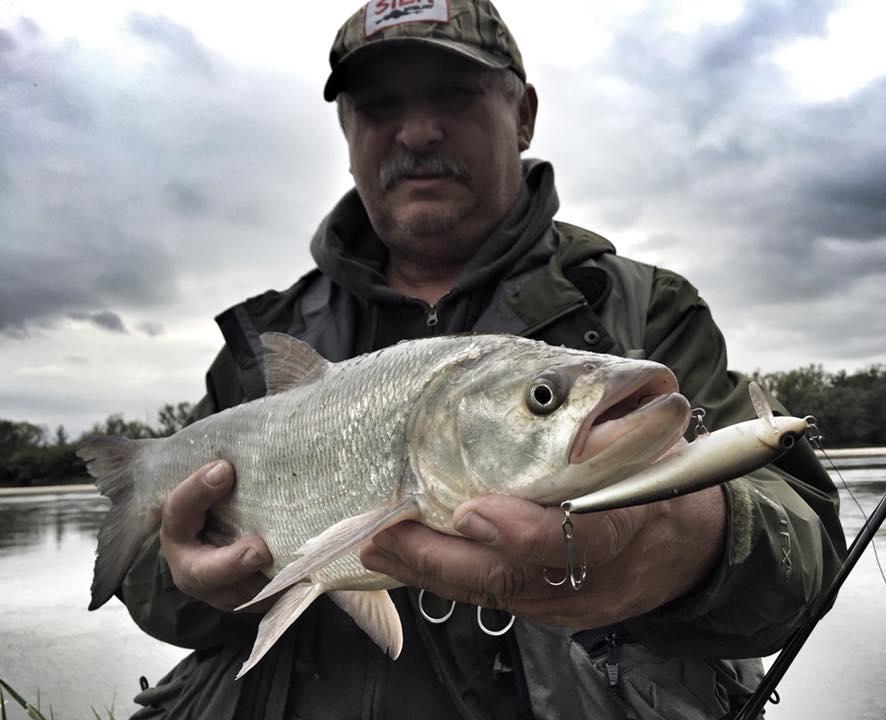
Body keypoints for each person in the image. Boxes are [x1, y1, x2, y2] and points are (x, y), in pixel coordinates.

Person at [122, 1, 846, 718]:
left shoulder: (645, 310)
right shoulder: (256, 349)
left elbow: (804, 553)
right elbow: (149, 587)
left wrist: (699, 548)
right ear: (346, 131)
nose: (417, 131)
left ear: (522, 115)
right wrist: (190, 582)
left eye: (454, 95)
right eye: (378, 106)